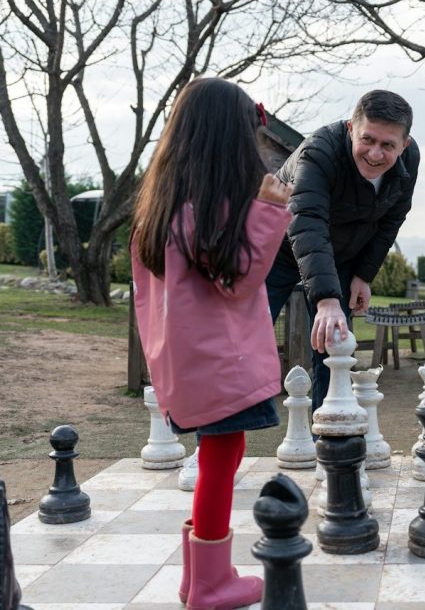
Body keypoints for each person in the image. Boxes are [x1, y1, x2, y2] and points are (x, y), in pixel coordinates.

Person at [130, 77, 293, 609]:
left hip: (186, 359)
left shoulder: (163, 206)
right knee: (221, 460)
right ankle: (209, 584)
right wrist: (268, 211)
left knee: (218, 458)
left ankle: (198, 577)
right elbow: (237, 280)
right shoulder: (208, 208)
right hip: (219, 360)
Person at [267, 89, 419, 411]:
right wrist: (326, 300)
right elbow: (307, 221)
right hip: (277, 248)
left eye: (388, 145)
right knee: (248, 334)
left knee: (334, 345)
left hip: (341, 255)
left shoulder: (410, 160)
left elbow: (392, 219)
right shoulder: (318, 152)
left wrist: (364, 274)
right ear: (351, 128)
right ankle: (220, 430)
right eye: (367, 140)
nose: (375, 154)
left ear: (404, 145)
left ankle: (329, 431)